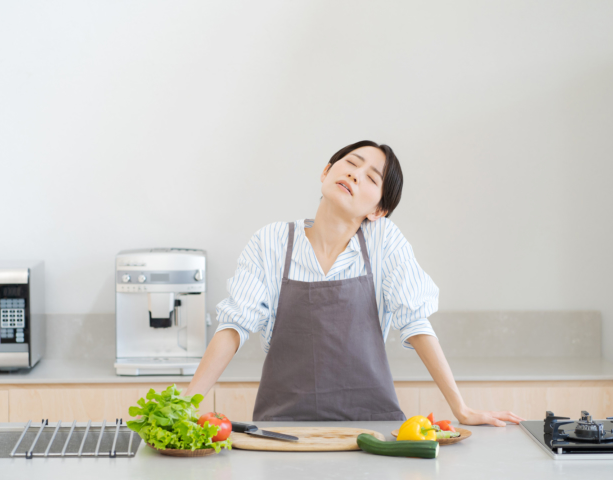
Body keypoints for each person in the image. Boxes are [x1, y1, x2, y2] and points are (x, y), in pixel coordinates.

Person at [186, 140, 524, 426]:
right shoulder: (271, 241)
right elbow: (234, 326)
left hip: (371, 430)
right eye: (351, 164)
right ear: (326, 171)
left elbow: (416, 322)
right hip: (284, 430)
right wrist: (186, 405)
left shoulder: (383, 241)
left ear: (378, 210)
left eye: (370, 178)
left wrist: (460, 408)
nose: (354, 175)